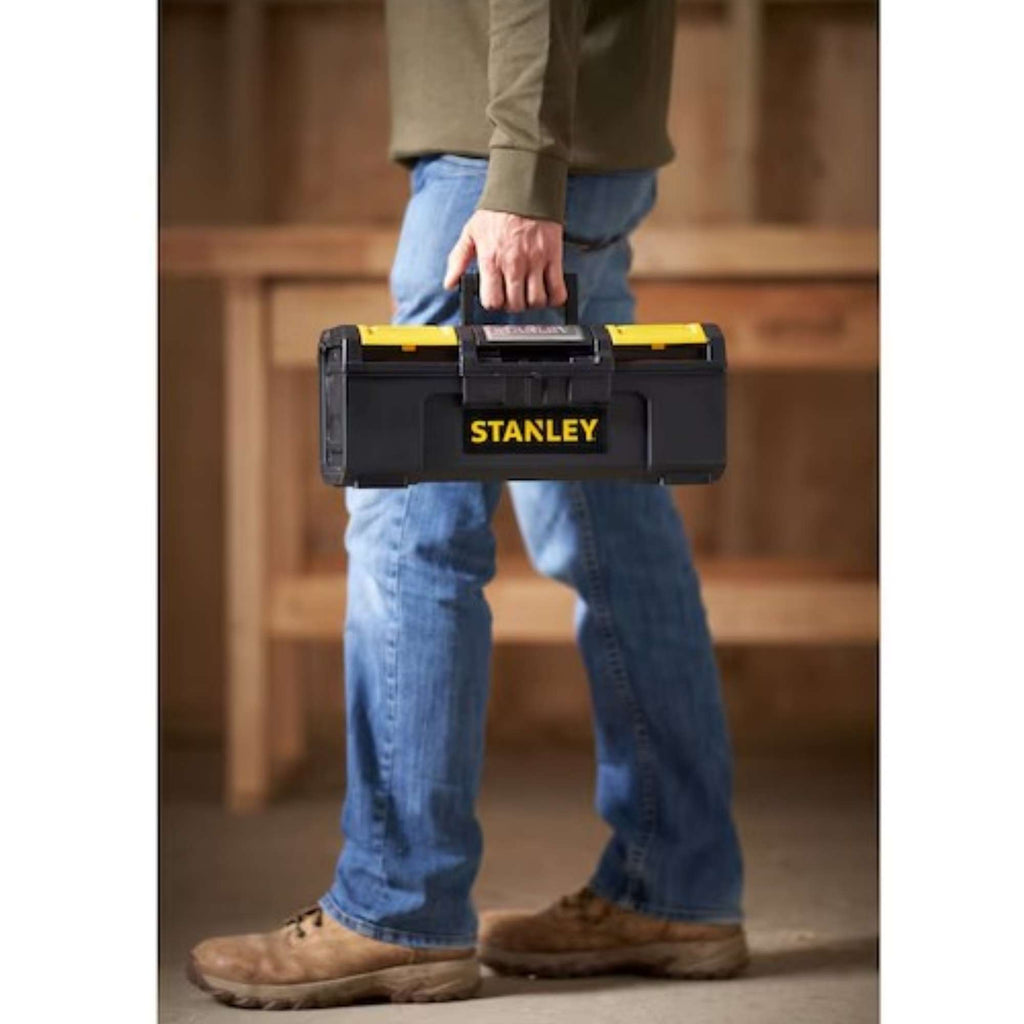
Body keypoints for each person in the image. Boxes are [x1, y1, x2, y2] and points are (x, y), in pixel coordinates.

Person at [188, 0, 746, 1009]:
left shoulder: (513, 169)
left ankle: (396, 906)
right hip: (584, 150)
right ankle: (677, 884)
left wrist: (520, 175)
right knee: (612, 526)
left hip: (501, 168)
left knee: (413, 522)